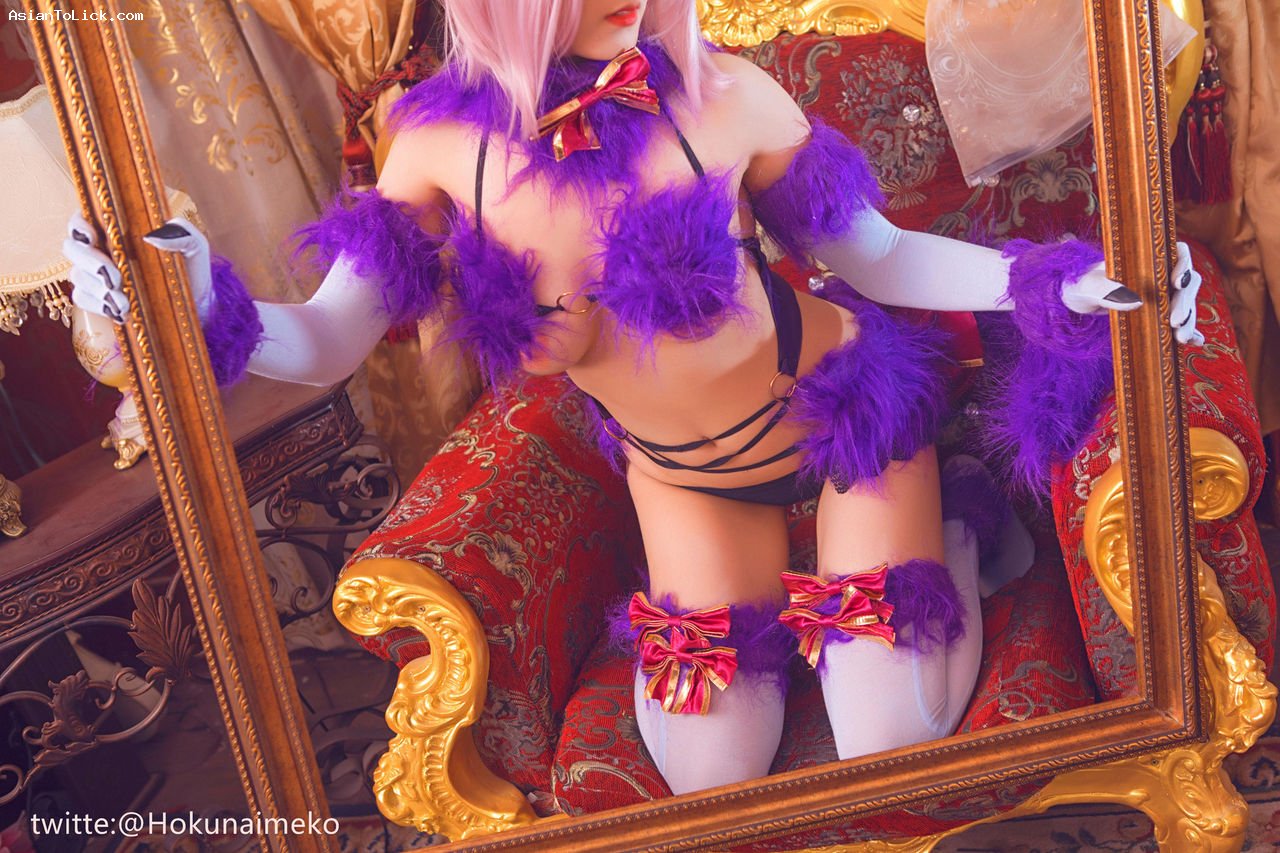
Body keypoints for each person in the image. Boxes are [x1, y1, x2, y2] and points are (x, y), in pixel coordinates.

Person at [63, 0, 1202, 797]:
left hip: (844, 418)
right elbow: (324, 343)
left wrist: (1053, 284)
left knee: (883, 738)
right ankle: (821, 580)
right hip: (686, 476)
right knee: (711, 765)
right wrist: (193, 298)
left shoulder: (723, 96)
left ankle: (949, 528)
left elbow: (882, 258)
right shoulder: (432, 144)